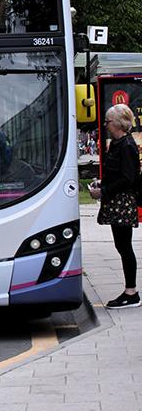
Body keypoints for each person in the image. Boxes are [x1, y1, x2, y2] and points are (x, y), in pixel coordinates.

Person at [89, 103, 141, 308]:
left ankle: (132, 293)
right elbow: (118, 174)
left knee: (125, 246)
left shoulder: (126, 146)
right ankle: (130, 291)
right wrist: (103, 183)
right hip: (117, 201)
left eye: (108, 121)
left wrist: (103, 191)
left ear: (119, 123)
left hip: (122, 203)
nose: (105, 124)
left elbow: (128, 178)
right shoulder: (118, 143)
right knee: (122, 246)